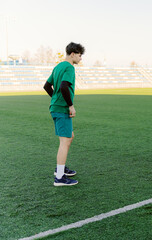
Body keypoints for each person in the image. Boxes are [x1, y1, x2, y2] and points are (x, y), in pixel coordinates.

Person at [43, 42, 85, 186]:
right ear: (73, 54)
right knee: (65, 141)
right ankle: (59, 177)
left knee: (69, 137)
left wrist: (55, 99)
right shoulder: (69, 67)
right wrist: (70, 105)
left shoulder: (58, 66)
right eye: (80, 55)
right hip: (61, 109)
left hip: (56, 107)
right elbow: (63, 86)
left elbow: (47, 86)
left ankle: (60, 168)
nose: (80, 59)